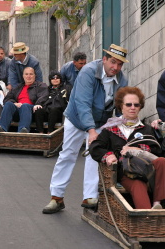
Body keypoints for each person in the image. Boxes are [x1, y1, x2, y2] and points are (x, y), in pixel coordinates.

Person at [42, 44, 128, 214]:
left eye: (119, 64)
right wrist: (91, 130)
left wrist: (122, 126)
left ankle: (90, 197)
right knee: (68, 154)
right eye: (112, 62)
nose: (115, 67)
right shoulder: (88, 71)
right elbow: (82, 103)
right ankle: (56, 197)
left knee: (94, 156)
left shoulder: (122, 80)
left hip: (99, 121)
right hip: (76, 118)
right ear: (104, 59)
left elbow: (120, 108)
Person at [89, 87, 165, 209]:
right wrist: (108, 155)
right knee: (138, 184)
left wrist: (139, 150)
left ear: (140, 107)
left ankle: (157, 205)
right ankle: (147, 219)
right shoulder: (111, 128)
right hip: (124, 171)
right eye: (128, 104)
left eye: (136, 105)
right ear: (121, 106)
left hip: (146, 169)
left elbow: (157, 150)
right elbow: (95, 147)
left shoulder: (146, 129)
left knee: (162, 162)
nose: (133, 107)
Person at [0, 67, 48, 133]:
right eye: (26, 74)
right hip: (18, 110)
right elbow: (7, 99)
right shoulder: (18, 87)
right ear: (23, 76)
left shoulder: (40, 86)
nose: (28, 76)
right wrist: (14, 103)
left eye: (31, 74)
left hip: (32, 110)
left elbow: (44, 96)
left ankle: (23, 130)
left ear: (35, 76)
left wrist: (38, 104)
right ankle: (2, 128)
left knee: (25, 106)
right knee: (8, 104)